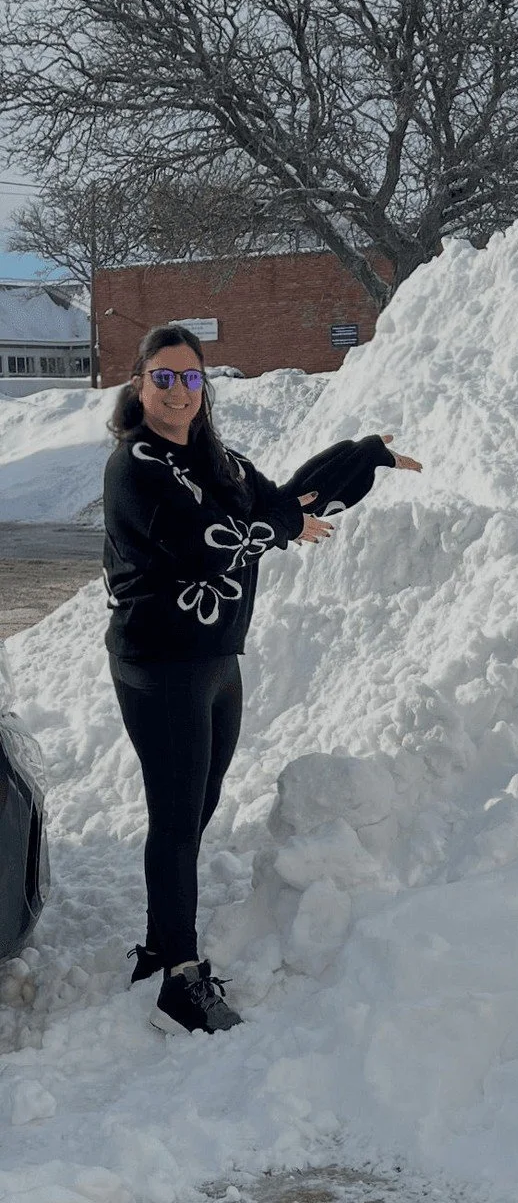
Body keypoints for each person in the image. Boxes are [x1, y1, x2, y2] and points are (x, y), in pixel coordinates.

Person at [103, 324, 421, 1035]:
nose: (179, 390)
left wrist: (360, 459)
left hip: (216, 658)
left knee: (199, 803)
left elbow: (284, 503)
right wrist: (279, 527)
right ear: (138, 384)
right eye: (163, 376)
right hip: (159, 662)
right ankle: (179, 978)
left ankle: (161, 942)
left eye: (191, 377)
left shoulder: (219, 461)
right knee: (176, 814)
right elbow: (204, 543)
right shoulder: (135, 468)